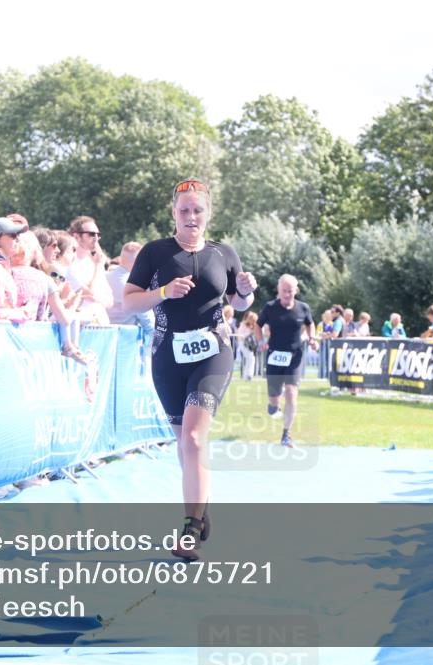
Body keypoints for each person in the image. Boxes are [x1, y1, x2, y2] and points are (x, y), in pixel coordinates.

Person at [122, 178, 256, 561]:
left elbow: (240, 303)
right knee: (185, 443)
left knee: (195, 439)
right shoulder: (155, 253)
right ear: (173, 214)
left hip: (213, 350)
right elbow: (130, 302)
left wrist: (246, 289)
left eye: (198, 210)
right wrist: (163, 292)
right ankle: (201, 504)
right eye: (184, 210)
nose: (191, 217)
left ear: (208, 213)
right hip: (168, 353)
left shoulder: (223, 252)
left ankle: (190, 530)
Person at [255, 274, 317, 448]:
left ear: (296, 290)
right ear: (279, 290)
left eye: (290, 291)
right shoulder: (270, 308)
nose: (287, 294)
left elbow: (310, 323)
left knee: (291, 393)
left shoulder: (303, 308)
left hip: (295, 357)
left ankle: (286, 435)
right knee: (274, 398)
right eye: (284, 291)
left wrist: (312, 338)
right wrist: (261, 342)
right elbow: (258, 325)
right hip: (275, 356)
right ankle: (273, 406)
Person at [67, 215, 114, 321]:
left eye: (98, 234)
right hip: (79, 325)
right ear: (76, 237)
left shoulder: (95, 262)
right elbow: (90, 293)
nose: (96, 238)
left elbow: (110, 301)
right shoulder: (69, 264)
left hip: (100, 322)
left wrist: (97, 298)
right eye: (91, 234)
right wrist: (98, 265)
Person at [107, 241, 155, 335]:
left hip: (106, 335)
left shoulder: (105, 277)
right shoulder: (133, 284)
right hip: (127, 338)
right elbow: (146, 317)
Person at [236, 311, 258, 380]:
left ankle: (249, 375)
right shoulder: (243, 324)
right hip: (243, 344)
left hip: (250, 345)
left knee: (251, 359)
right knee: (249, 359)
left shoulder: (253, 326)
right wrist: (249, 333)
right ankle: (247, 375)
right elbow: (240, 335)